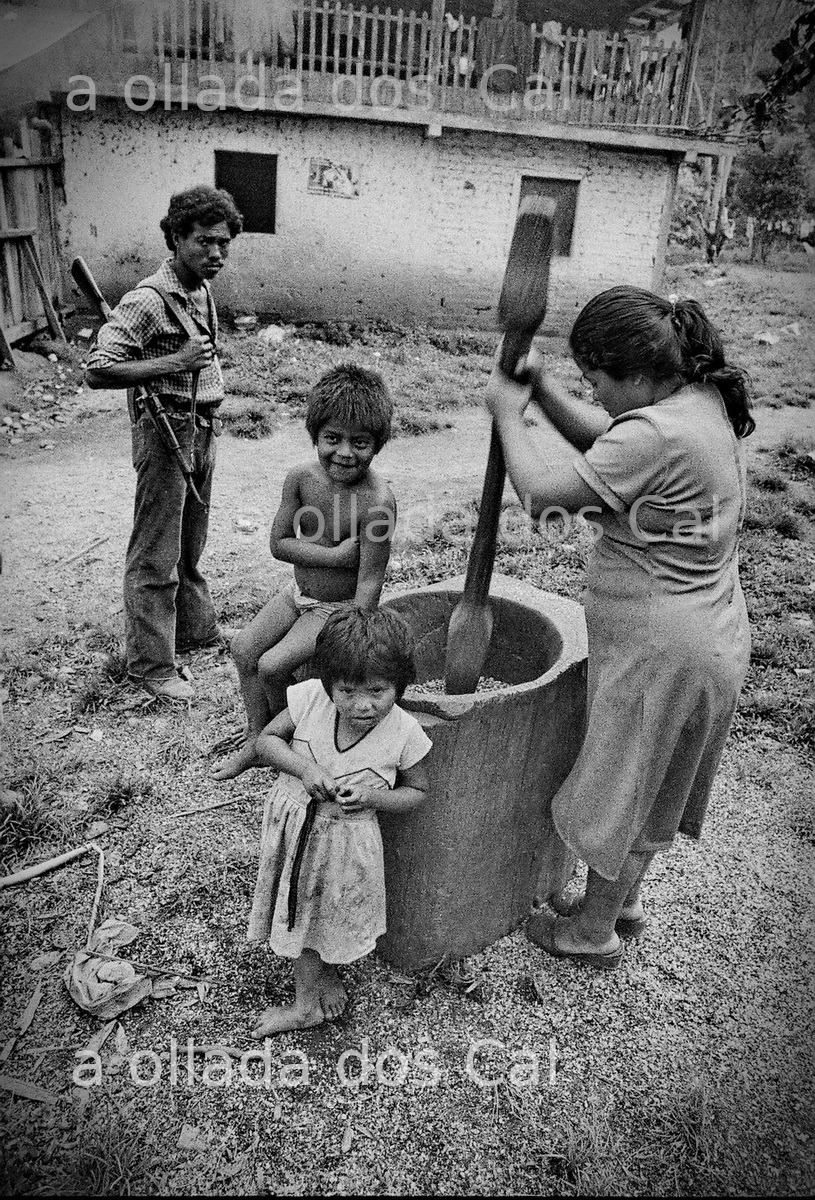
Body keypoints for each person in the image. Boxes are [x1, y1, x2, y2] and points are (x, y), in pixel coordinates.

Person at [483, 285, 753, 970]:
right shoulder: (693, 403)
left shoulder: (655, 432)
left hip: (663, 647)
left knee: (622, 784)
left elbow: (542, 495)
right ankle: (621, 902)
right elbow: (612, 441)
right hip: (706, 634)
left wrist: (507, 415)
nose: (592, 393)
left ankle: (590, 931)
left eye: (593, 380)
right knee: (652, 778)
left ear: (635, 374)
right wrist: (542, 390)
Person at [85, 185, 243, 702]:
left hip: (202, 428)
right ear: (175, 238)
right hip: (165, 432)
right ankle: (150, 667)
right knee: (155, 554)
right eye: (203, 242)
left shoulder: (199, 288)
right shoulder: (146, 301)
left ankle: (195, 633)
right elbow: (97, 370)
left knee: (190, 545)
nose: (215, 253)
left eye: (223, 243)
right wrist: (174, 363)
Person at [247, 605, 432, 1034]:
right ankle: (309, 995)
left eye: (377, 692)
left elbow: (417, 793)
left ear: (400, 686)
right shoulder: (311, 698)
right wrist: (305, 769)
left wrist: (372, 796)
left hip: (344, 842)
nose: (361, 705)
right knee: (305, 911)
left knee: (322, 914)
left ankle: (306, 1003)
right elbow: (266, 741)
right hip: (296, 828)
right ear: (328, 682)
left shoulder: (404, 733)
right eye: (346, 691)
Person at [211, 363, 396, 780]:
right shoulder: (301, 479)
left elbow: (368, 582)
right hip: (298, 595)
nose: (345, 453)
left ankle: (288, 745)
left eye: (360, 442)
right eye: (332, 439)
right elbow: (279, 545)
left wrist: (350, 637)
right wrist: (336, 557)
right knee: (243, 650)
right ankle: (257, 737)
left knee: (273, 666)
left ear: (378, 444)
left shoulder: (377, 502)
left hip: (336, 608)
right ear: (316, 435)